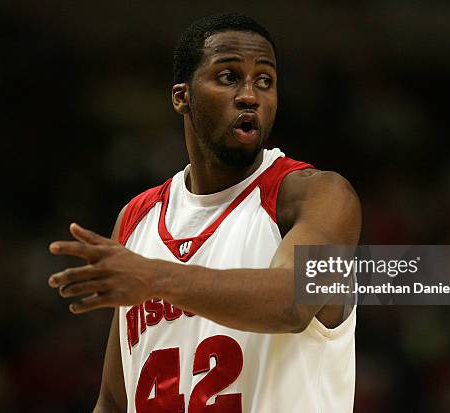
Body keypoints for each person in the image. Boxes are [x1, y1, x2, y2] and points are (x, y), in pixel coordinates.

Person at [48, 12, 361, 413]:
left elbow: (293, 303)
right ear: (182, 96)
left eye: (265, 81)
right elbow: (113, 400)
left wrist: (155, 277)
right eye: (229, 77)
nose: (250, 95)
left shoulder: (317, 195)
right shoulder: (136, 218)